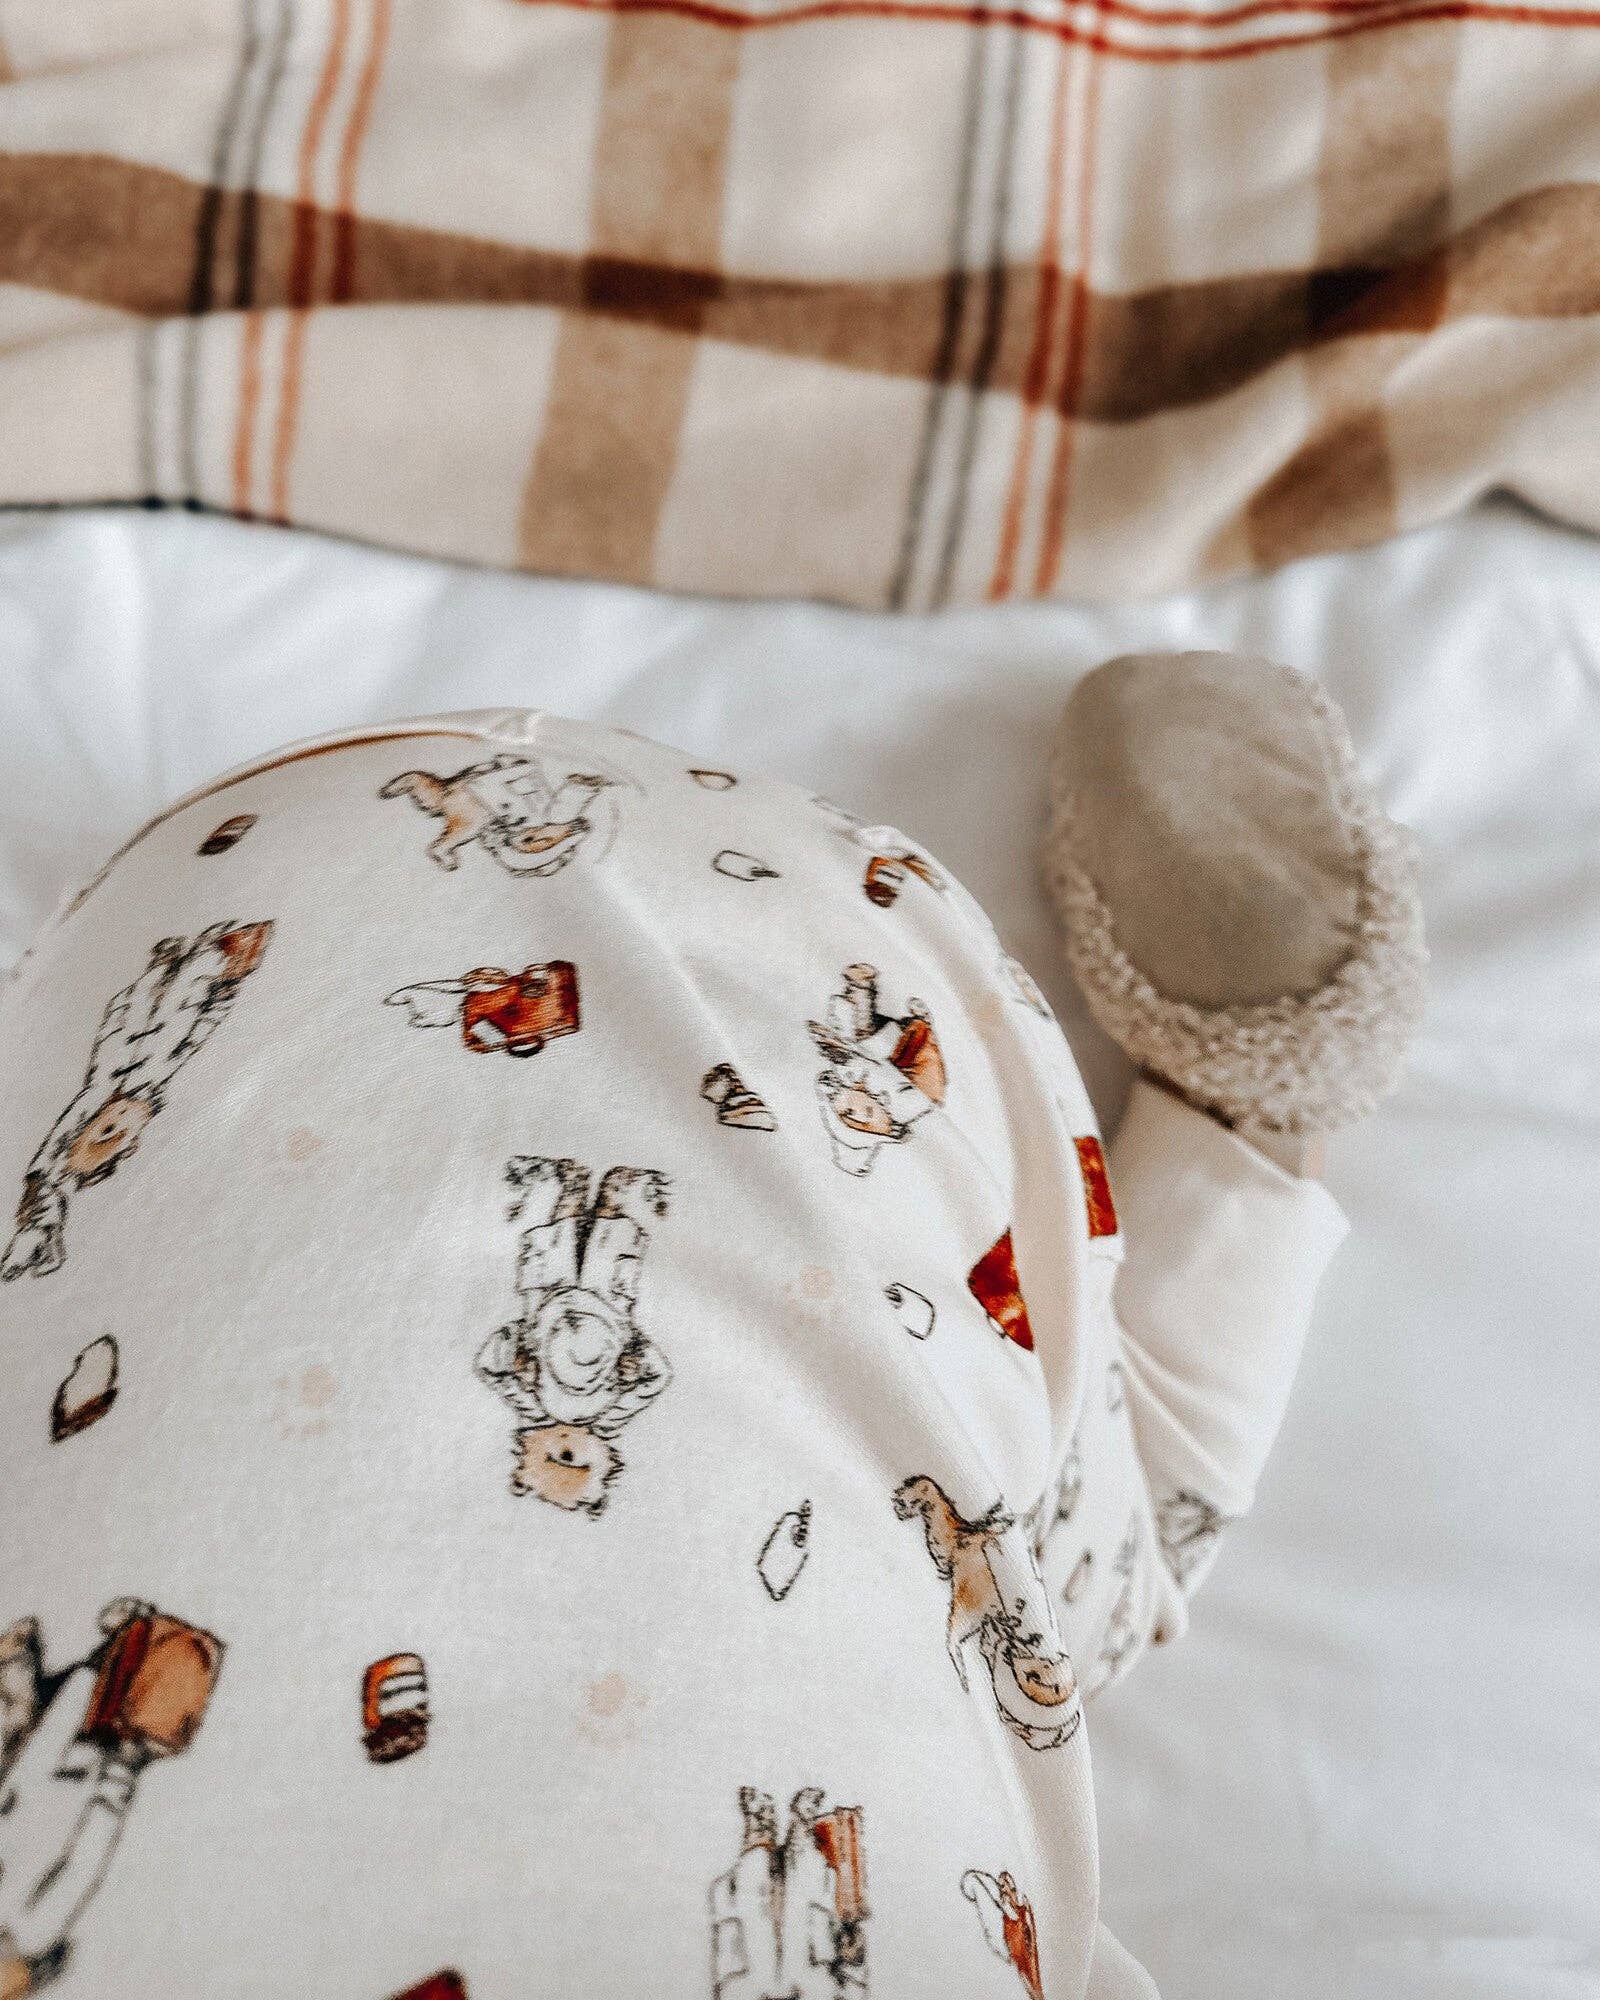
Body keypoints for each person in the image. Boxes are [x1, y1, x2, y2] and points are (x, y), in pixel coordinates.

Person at [0, 654, 1425, 1998]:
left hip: (792, 974)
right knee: (995, 1582)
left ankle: (1250, 1124)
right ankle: (1254, 1096)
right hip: (219, 912)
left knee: (1048, 1594)